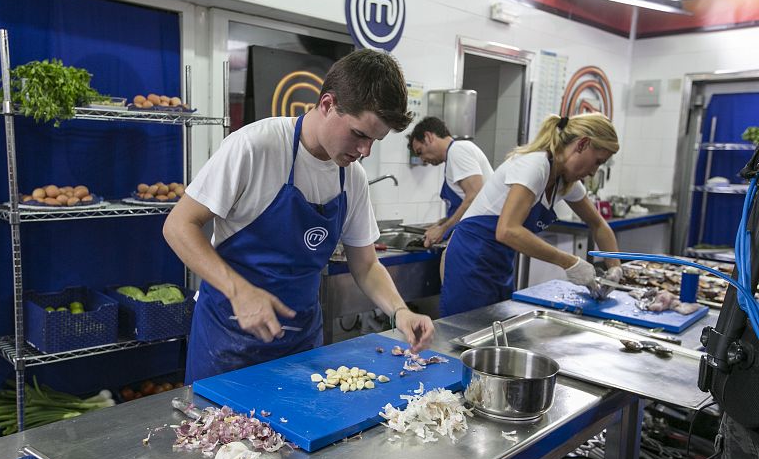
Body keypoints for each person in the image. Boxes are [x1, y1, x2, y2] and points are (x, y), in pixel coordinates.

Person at [163, 49, 434, 383]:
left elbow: (365, 264)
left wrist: (400, 310)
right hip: (228, 339)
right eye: (360, 134)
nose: (365, 151)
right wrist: (238, 291)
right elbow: (178, 226)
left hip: (302, 344)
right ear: (326, 104)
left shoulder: (351, 177)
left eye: (374, 141)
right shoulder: (255, 147)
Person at [439, 112, 623, 317]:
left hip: (499, 262)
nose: (593, 172)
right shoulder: (535, 165)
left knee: (492, 331)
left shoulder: (565, 182)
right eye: (597, 161)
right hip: (470, 258)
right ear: (582, 144)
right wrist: (570, 262)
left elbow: (597, 224)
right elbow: (507, 231)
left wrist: (614, 268)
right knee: (463, 332)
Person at [407, 116, 494, 247]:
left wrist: (443, 230)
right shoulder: (455, 153)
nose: (423, 159)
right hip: (477, 238)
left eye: (420, 152)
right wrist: (442, 223)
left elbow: (475, 196)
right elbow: (467, 202)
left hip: (481, 241)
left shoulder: (458, 150)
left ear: (428, 137)